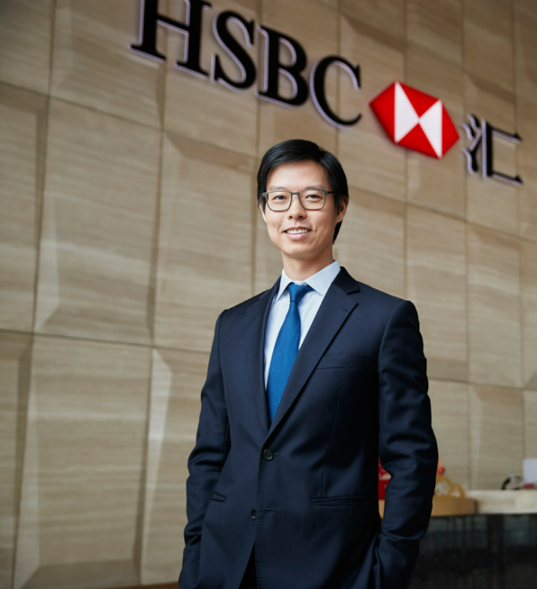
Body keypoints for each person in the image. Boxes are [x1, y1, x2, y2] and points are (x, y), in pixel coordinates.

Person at [180, 140, 439, 589]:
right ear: (264, 210)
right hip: (224, 566)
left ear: (340, 208)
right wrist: (196, 560)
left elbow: (412, 458)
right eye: (279, 198)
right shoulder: (233, 325)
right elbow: (209, 455)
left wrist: (386, 571)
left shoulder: (384, 319)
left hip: (335, 568)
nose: (295, 212)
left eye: (312, 197)